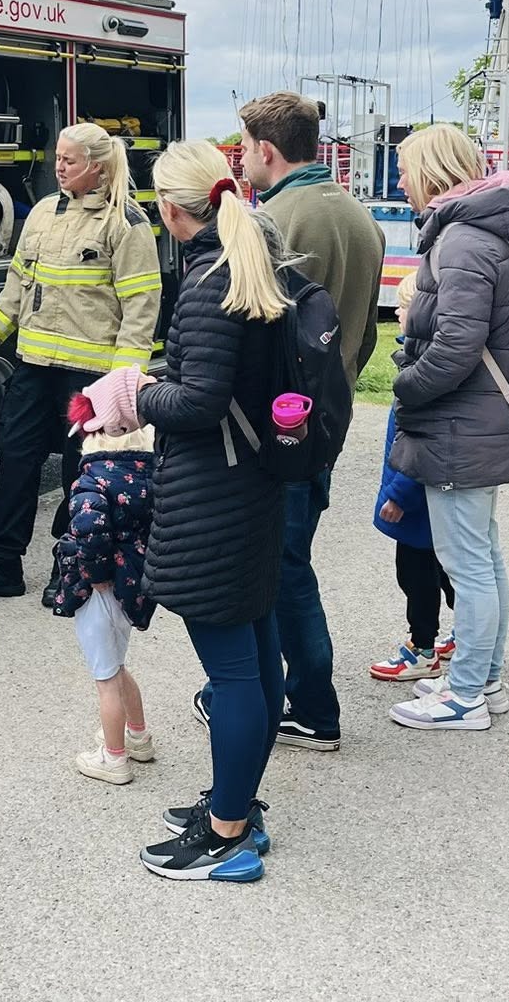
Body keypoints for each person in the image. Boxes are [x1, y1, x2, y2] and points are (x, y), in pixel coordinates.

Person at [73, 139, 287, 882]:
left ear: (169, 210)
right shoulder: (248, 262)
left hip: (211, 500)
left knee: (232, 672)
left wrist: (129, 394)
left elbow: (198, 401)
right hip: (252, 489)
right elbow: (216, 379)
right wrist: (158, 377)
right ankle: (238, 801)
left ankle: (227, 832)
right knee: (257, 658)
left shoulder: (207, 282)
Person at [189, 91, 383, 751]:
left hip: (278, 430)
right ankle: (280, 695)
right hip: (327, 417)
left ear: (266, 150)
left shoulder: (272, 220)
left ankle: (310, 706)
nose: (239, 160)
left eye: (242, 148)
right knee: (289, 561)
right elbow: (364, 338)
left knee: (280, 568)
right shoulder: (360, 216)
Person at [0, 122, 162, 605]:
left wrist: (122, 385)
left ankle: (68, 568)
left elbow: (141, 308)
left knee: (76, 476)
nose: (58, 167)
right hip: (34, 365)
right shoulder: (44, 213)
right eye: (58, 158)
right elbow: (16, 291)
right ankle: (1, 565)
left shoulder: (125, 224)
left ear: (99, 167)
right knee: (16, 463)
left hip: (89, 376)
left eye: (69, 160)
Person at [384, 124, 509, 733]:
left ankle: (468, 694)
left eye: (406, 169)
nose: (401, 181)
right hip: (479, 419)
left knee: (468, 563)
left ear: (434, 172)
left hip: (458, 422)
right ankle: (485, 676)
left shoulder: (461, 242)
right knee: (483, 556)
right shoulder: (488, 234)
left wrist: (406, 387)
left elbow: (454, 345)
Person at [51, 422, 158, 786]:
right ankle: (138, 736)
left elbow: (90, 532)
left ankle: (113, 758)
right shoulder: (149, 477)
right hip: (133, 584)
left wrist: (95, 577)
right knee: (118, 663)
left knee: (106, 677)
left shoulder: (90, 482)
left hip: (99, 589)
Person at [369, 271, 455, 681]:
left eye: (402, 308)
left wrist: (398, 494)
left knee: (416, 571)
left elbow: (419, 436)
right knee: (447, 565)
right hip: (430, 489)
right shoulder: (430, 359)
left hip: (415, 491)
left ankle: (422, 646)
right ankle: (472, 630)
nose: (397, 314)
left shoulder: (419, 370)